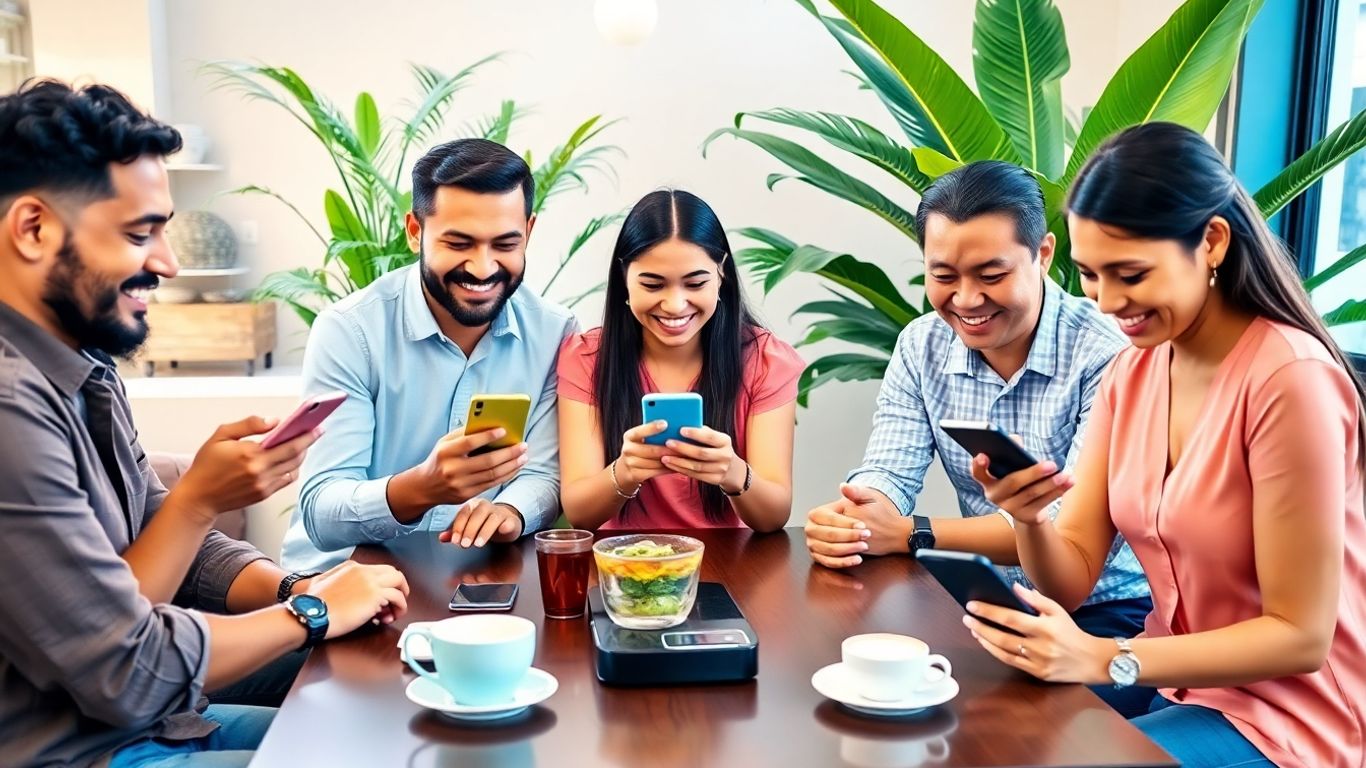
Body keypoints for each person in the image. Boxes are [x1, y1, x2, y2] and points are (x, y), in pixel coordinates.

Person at [0, 79, 410, 768]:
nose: (167, 262)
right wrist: (307, 614)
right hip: (77, 749)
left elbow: (155, 526)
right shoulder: (11, 409)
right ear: (34, 228)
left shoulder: (82, 366)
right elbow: (128, 671)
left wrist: (294, 588)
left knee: (391, 705)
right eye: (139, 234)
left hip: (146, 717)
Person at [964, 123, 1366, 768]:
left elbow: (1300, 636)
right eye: (1091, 275)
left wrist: (1102, 656)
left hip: (1291, 720)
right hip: (1169, 685)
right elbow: (1070, 578)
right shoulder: (1133, 372)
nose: (1107, 302)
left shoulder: (1291, 379)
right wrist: (1029, 517)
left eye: (1130, 273)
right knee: (977, 732)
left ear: (1211, 241)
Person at [802, 161, 1151, 678]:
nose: (966, 300)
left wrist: (909, 532)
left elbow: (1063, 530)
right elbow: (890, 471)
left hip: (1106, 614)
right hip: (988, 598)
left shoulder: (1108, 354)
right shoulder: (921, 344)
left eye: (992, 275)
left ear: (1044, 254)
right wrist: (858, 516)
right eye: (942, 276)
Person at [280, 138, 578, 571]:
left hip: (474, 578)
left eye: (505, 245)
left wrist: (512, 511)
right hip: (341, 584)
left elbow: (544, 475)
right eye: (459, 244)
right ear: (415, 231)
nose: (482, 268)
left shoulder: (555, 331)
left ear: (528, 232)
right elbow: (321, 512)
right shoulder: (350, 330)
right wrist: (423, 488)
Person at [557, 189, 802, 531]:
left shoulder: (766, 361)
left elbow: (773, 517)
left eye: (695, 283)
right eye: (653, 285)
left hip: (731, 566)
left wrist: (731, 471)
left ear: (722, 274)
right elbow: (580, 514)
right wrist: (626, 470)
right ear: (624, 279)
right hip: (623, 564)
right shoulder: (586, 359)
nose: (675, 305)